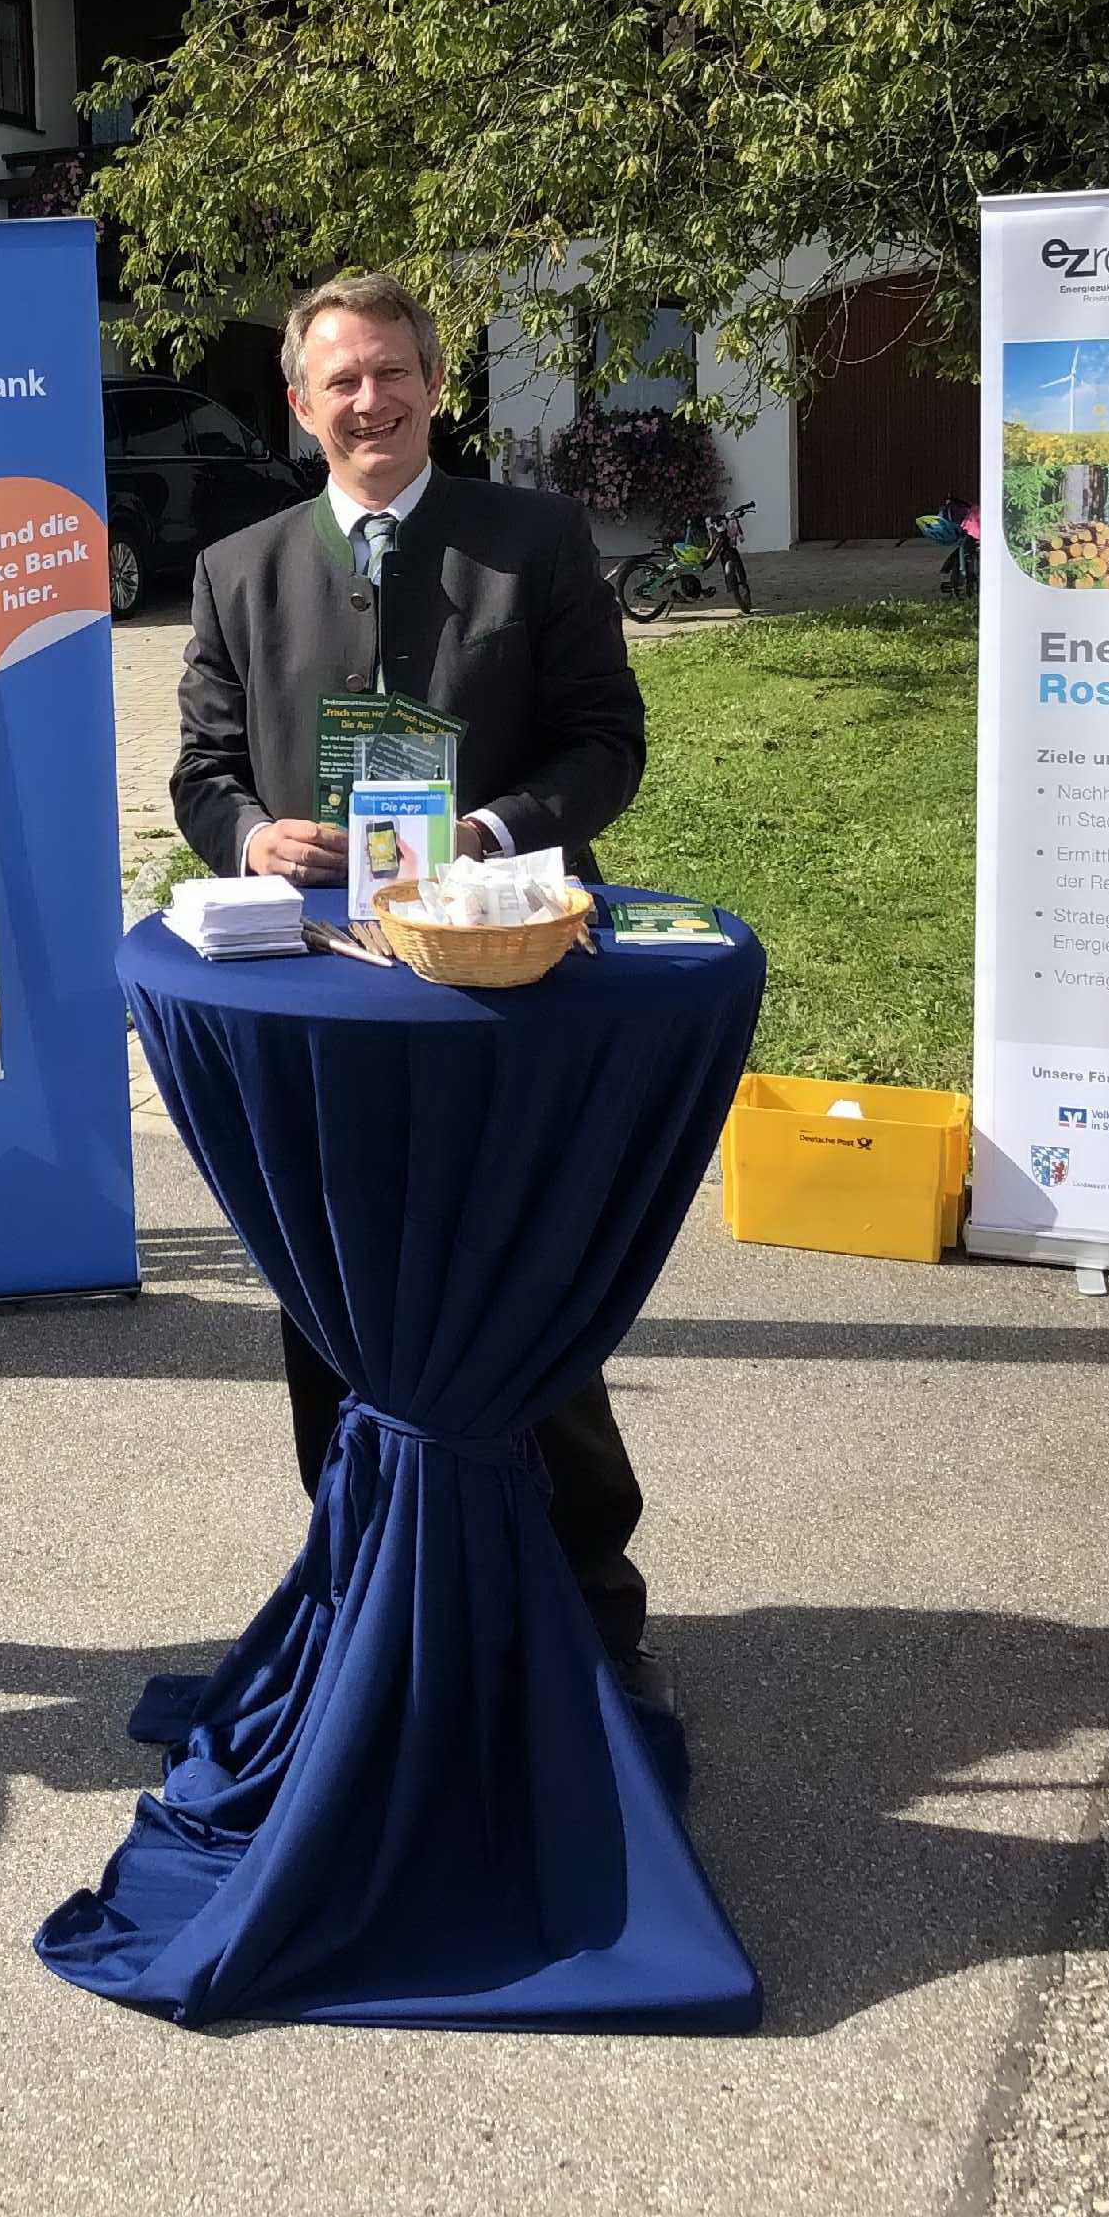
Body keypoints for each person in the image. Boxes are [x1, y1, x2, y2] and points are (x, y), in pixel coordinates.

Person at [172, 272, 666, 1699]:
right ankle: (365, 1596)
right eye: (342, 379)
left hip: (506, 983)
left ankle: (589, 1608)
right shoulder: (239, 568)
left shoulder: (534, 539)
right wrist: (250, 835)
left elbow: (606, 742)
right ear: (300, 404)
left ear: (437, 387)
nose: (370, 401)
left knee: (531, 1277)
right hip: (327, 1002)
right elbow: (202, 769)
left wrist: (495, 834)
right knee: (338, 1292)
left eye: (394, 372)